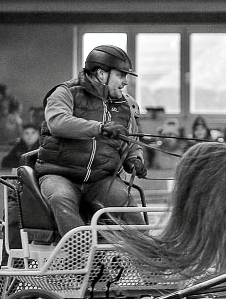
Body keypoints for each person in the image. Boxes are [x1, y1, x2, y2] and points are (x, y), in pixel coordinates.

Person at [34, 44, 147, 238]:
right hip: (60, 175)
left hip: (101, 179)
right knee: (61, 198)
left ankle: (147, 257)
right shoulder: (65, 92)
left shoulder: (126, 105)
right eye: (120, 75)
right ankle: (80, 256)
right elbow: (57, 122)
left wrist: (134, 159)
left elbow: (131, 142)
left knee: (125, 202)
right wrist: (100, 128)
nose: (124, 82)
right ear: (101, 74)